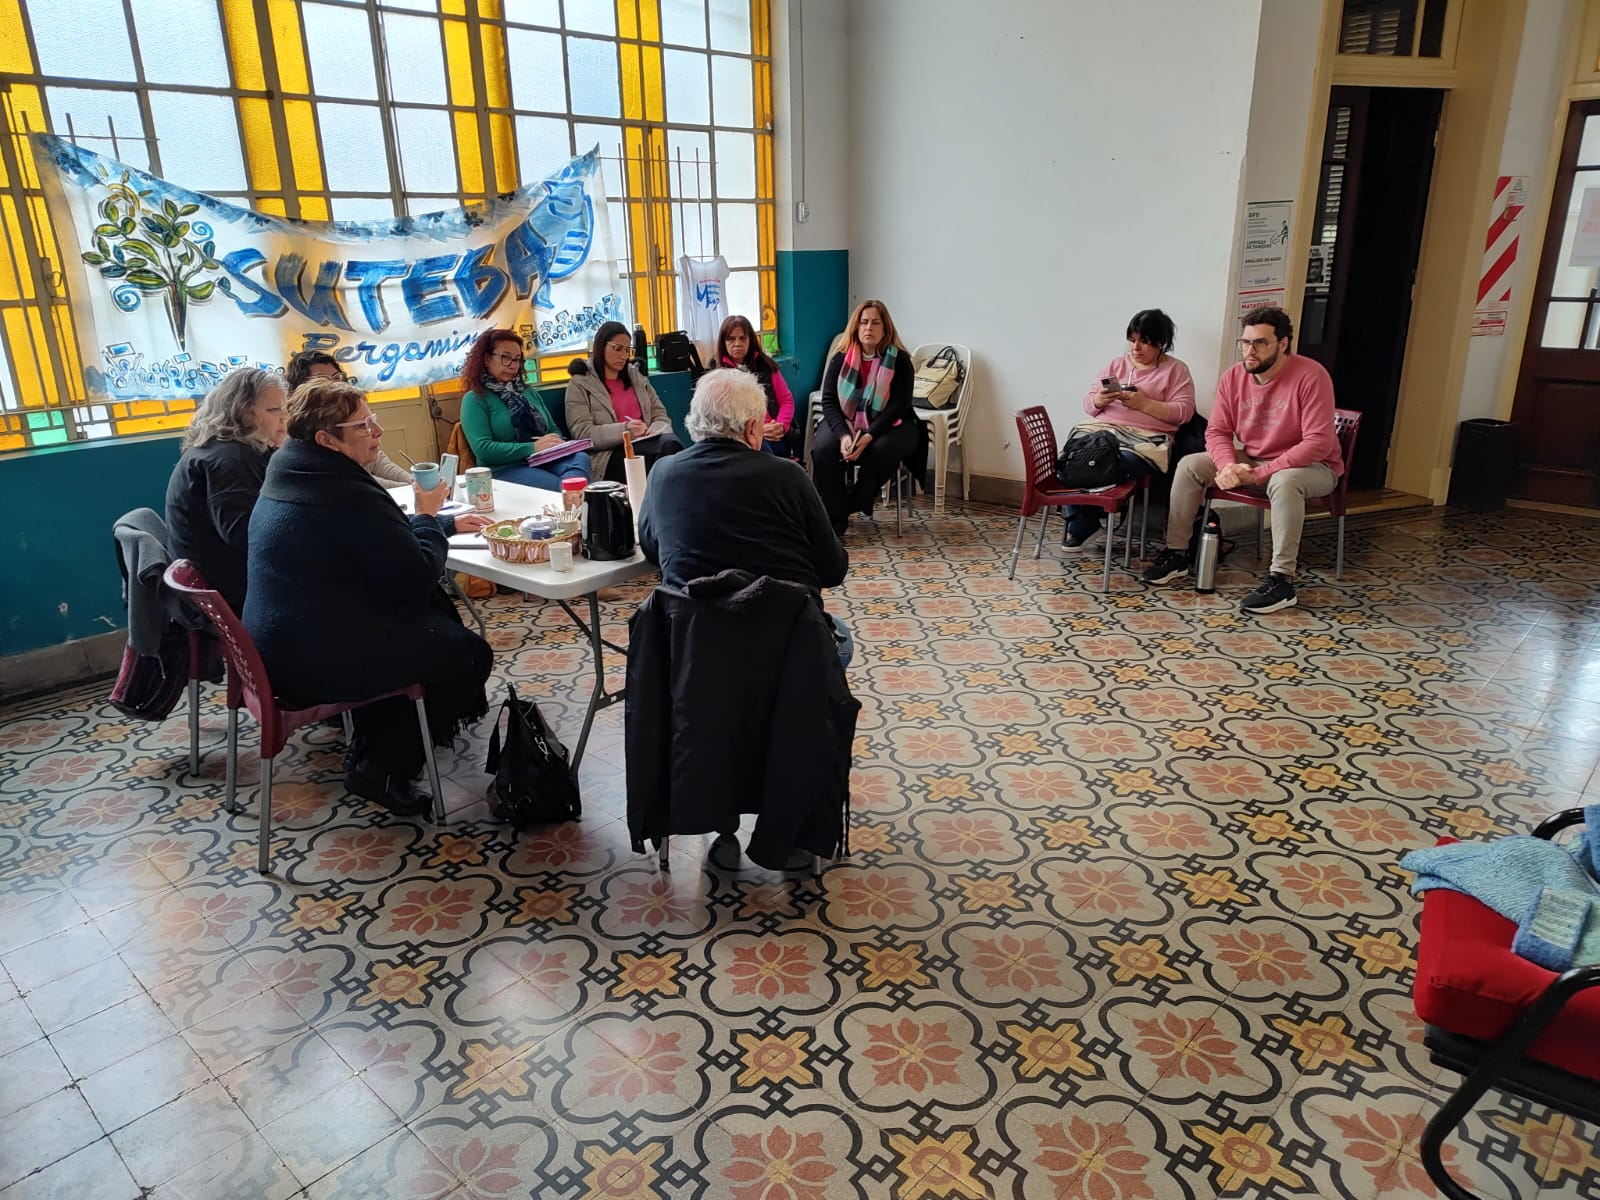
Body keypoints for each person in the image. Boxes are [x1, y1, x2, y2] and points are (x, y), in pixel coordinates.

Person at [244, 378, 495, 816]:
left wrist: (439, 524)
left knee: (429, 633)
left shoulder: (294, 469)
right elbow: (415, 577)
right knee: (467, 655)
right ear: (327, 440)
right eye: (362, 426)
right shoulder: (339, 490)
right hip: (309, 663)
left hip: (280, 646)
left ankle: (375, 743)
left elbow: (373, 541)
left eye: (373, 419)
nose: (377, 431)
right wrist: (426, 516)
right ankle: (381, 765)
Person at [635, 368, 854, 871]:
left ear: (694, 424)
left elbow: (651, 549)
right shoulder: (788, 477)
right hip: (788, 657)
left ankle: (723, 826)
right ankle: (794, 828)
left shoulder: (663, 475)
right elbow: (834, 570)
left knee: (726, 695)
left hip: (694, 662)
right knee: (837, 642)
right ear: (755, 428)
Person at [1142, 306, 1343, 614]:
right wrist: (1227, 466)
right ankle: (1176, 553)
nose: (1250, 351)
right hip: (1254, 458)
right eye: (1245, 342)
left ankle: (1282, 580)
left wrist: (1261, 473)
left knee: (1285, 481)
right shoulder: (1234, 377)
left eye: (1260, 343)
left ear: (1283, 344)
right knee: (1190, 465)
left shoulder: (1311, 376)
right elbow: (1218, 431)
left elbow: (1319, 442)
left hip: (1313, 467)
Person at [1064, 309, 1196, 549]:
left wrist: (1144, 404)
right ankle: (1087, 521)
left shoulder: (1176, 370)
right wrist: (1099, 400)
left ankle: (1083, 524)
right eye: (1132, 340)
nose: (1136, 348)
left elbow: (1184, 412)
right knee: (1071, 460)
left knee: (1114, 463)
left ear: (1161, 343)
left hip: (1146, 440)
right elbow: (1088, 403)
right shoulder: (1116, 364)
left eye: (1144, 342)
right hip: (1104, 432)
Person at [165, 368, 287, 615]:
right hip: (233, 598)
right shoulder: (231, 460)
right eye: (274, 410)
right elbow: (246, 536)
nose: (285, 418)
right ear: (243, 412)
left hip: (226, 584)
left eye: (286, 408)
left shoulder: (225, 449)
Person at [812, 299, 924, 535]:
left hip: (892, 424)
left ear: (885, 328)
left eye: (875, 322)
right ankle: (835, 517)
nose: (868, 328)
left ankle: (857, 499)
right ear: (856, 326)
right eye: (863, 322)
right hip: (845, 421)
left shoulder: (900, 360)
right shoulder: (840, 358)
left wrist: (869, 436)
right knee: (824, 449)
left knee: (881, 449)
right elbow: (829, 401)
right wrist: (844, 435)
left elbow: (899, 406)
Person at [459, 329, 593, 490]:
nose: (513, 365)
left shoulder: (527, 392)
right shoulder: (475, 399)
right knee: (565, 487)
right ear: (487, 359)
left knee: (580, 458)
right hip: (505, 467)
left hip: (543, 458)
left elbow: (553, 429)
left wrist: (554, 442)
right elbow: (483, 449)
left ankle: (570, 497)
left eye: (517, 359)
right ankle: (572, 498)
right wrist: (533, 447)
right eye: (506, 357)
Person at [564, 320, 683, 482]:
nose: (624, 356)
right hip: (608, 455)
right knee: (668, 448)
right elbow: (582, 433)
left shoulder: (636, 377)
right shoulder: (580, 383)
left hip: (650, 444)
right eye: (617, 348)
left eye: (627, 350)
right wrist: (625, 431)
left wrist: (655, 430)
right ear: (601, 346)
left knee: (669, 444)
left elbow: (660, 415)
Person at [286, 349, 411, 484]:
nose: (335, 386)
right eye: (323, 381)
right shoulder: (307, 442)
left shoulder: (351, 411)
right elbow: (353, 481)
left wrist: (413, 482)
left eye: (337, 377)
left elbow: (377, 462)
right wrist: (413, 489)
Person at [709, 314, 794, 455]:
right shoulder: (716, 371)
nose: (737, 343)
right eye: (731, 339)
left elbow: (786, 400)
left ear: (750, 340)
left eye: (743, 338)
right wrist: (756, 431)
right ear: (723, 342)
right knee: (762, 452)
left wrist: (780, 426)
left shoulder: (766, 365)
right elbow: (718, 414)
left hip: (773, 433)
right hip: (738, 437)